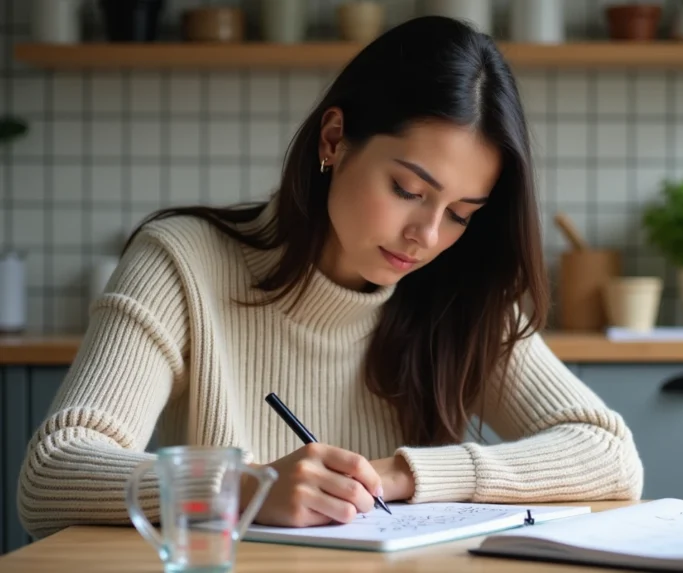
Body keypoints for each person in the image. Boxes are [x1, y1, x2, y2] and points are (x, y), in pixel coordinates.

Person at [17, 15, 643, 539]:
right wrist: (246, 488)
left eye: (459, 213)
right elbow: (51, 475)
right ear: (336, 139)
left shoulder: (460, 289)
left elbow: (611, 457)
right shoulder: (182, 261)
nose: (426, 236)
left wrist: (398, 475)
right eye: (407, 189)